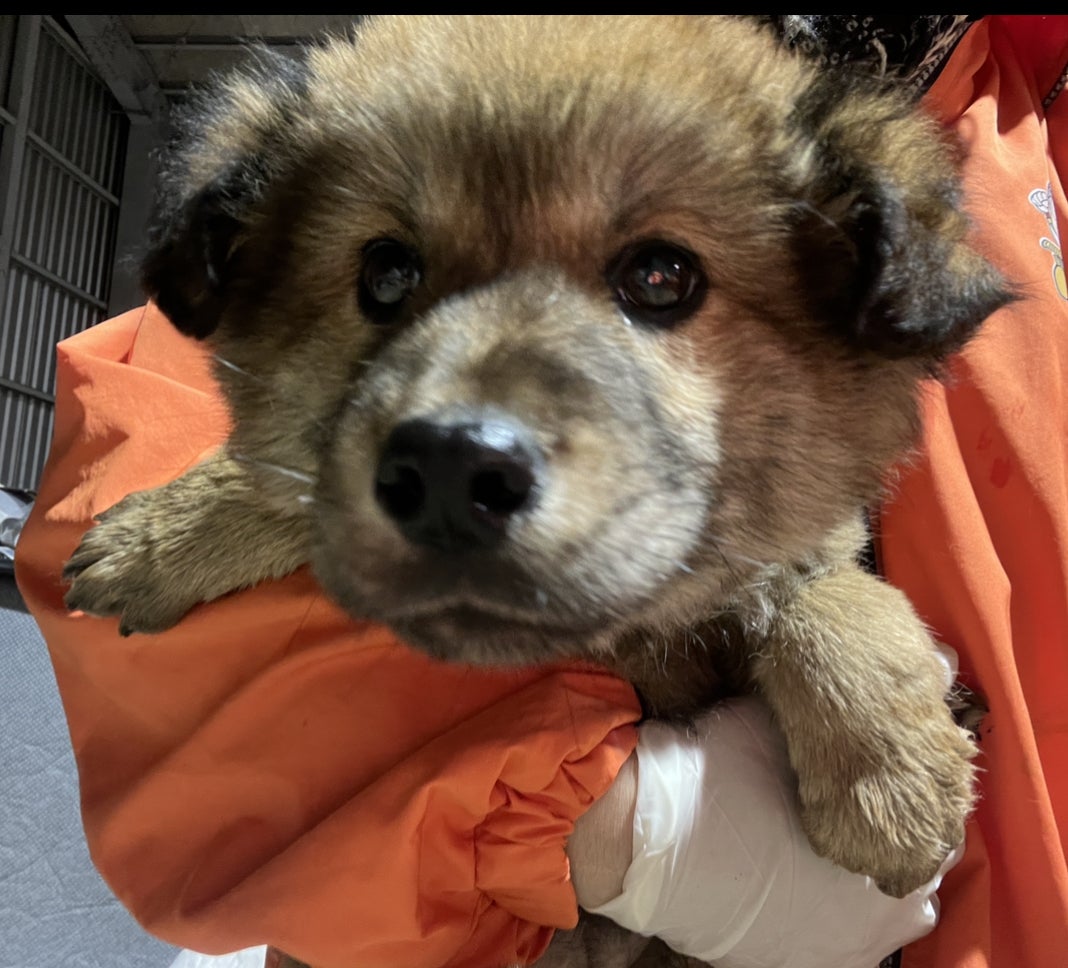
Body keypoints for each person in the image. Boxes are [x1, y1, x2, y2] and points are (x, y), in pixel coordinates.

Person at [15, 14, 1068, 968]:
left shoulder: (1007, 125)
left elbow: (813, 556)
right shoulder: (436, 73)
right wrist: (613, 823)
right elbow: (125, 498)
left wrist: (842, 659)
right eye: (390, 276)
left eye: (658, 278)